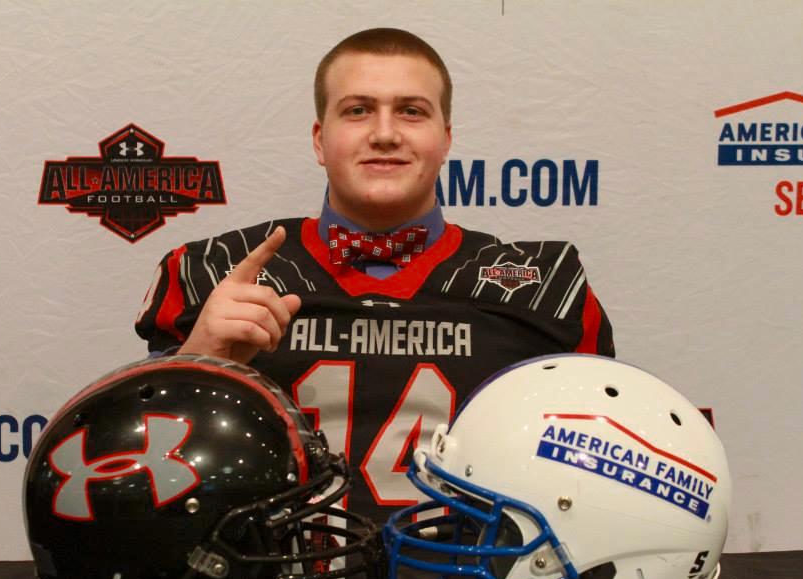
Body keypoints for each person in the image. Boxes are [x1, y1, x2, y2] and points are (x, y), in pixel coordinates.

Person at [136, 27, 614, 523]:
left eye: (412, 111)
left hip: (474, 571)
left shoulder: (545, 288)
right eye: (358, 110)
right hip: (269, 570)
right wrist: (199, 361)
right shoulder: (214, 273)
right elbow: (134, 478)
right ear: (320, 140)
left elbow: (602, 482)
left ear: (446, 139)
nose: (385, 134)